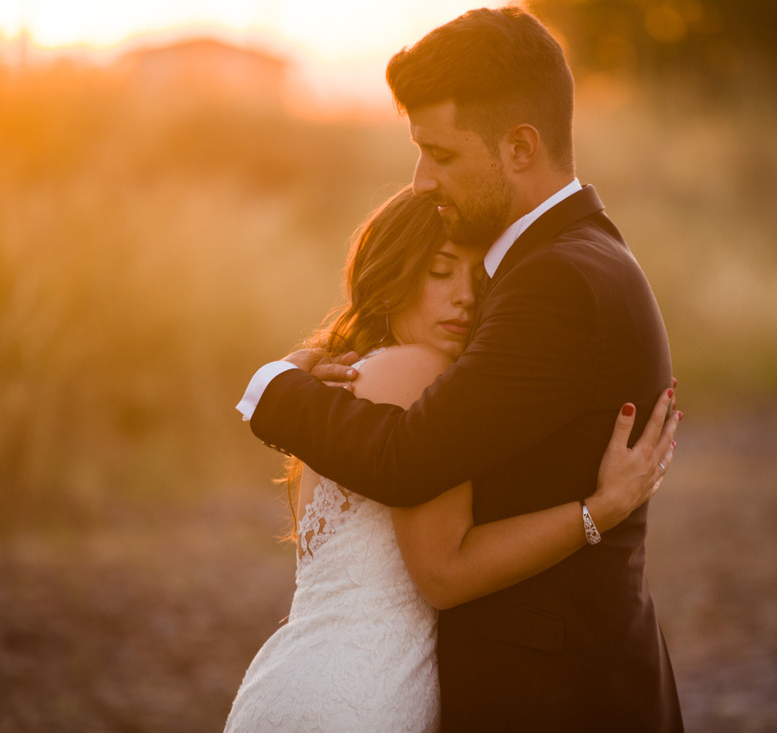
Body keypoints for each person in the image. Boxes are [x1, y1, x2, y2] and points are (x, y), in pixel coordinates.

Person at [239, 7, 682, 731]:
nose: (420, 181)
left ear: (519, 147)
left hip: (556, 703)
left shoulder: (557, 282)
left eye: (441, 155)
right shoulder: (575, 258)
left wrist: (274, 389)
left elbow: (411, 458)